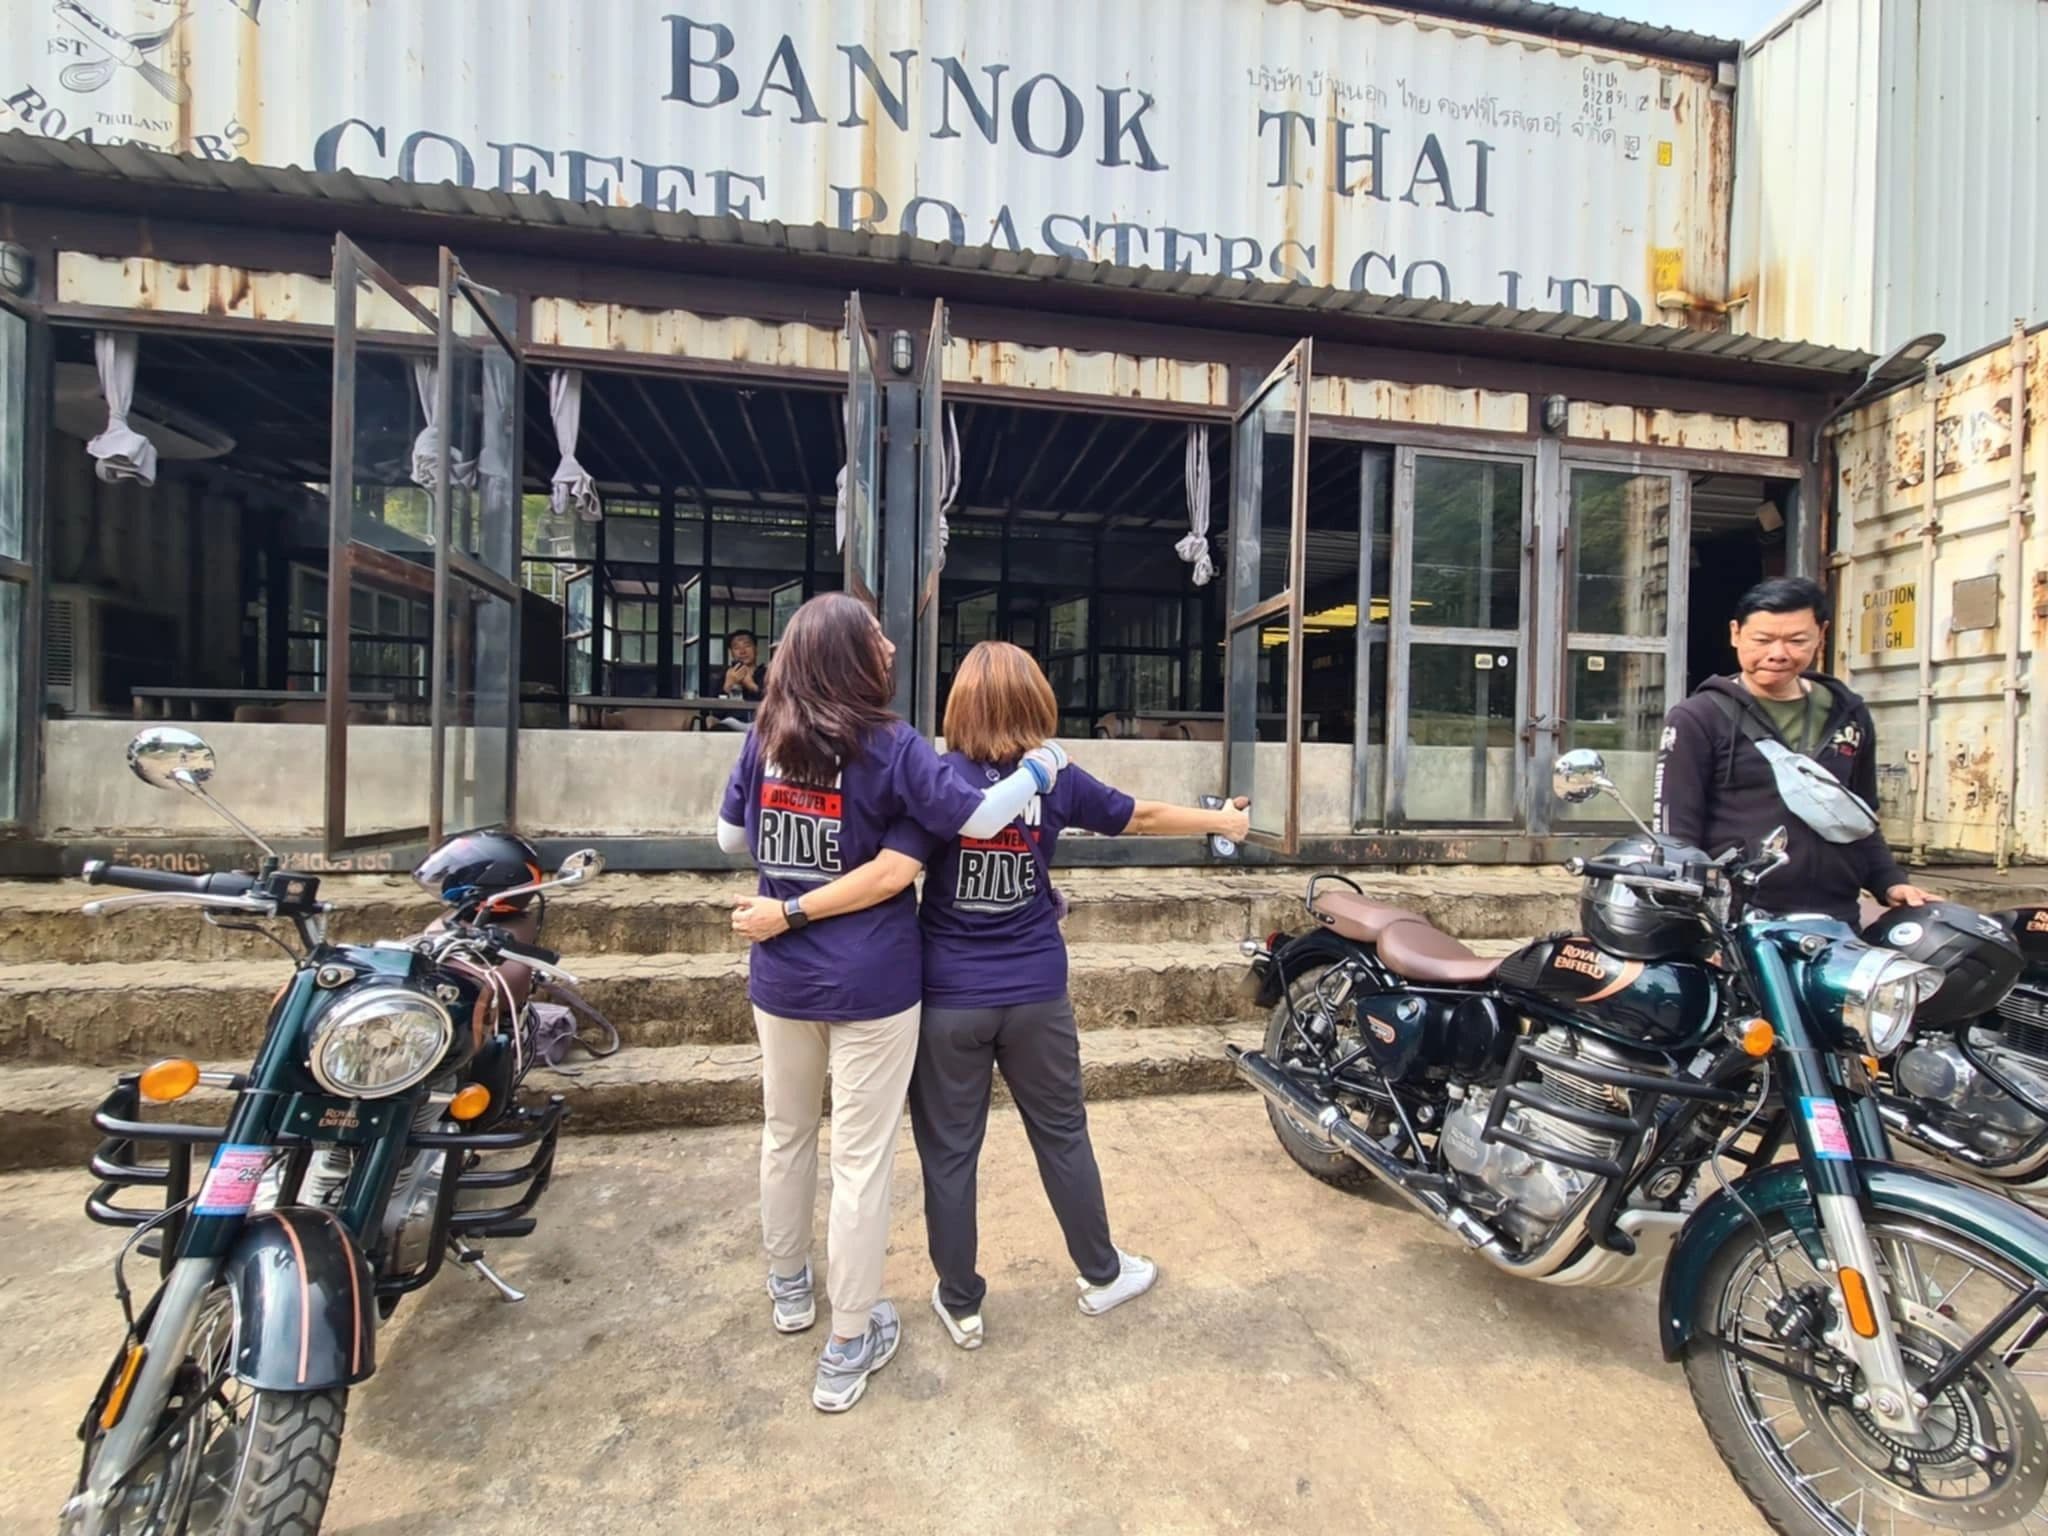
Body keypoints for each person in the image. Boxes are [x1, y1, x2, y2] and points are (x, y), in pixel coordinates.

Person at [736, 640, 1251, 1350]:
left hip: (947, 997)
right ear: (1035, 700)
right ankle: (1101, 1275)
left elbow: (891, 870)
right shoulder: (1056, 778)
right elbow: (1140, 818)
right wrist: (1222, 820)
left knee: (949, 1153)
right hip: (1037, 993)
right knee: (1063, 1134)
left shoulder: (933, 778)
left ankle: (961, 1303)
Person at [716, 595, 1067, 1413]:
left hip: (780, 976)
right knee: (862, 1160)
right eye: (876, 637)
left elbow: (730, 840)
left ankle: (791, 1289)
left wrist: (790, 883)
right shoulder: (893, 745)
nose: (891, 644)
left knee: (785, 1133)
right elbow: (979, 819)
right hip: (873, 983)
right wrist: (1042, 772)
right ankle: (847, 1342)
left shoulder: (764, 736)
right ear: (849, 654)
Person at [1654, 575, 1933, 921]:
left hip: (1835, 916)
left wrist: (1889, 881)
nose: (1778, 654)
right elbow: (1677, 832)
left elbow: (1859, 815)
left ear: (1822, 635)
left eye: (1797, 640)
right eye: (1762, 640)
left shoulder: (1849, 713)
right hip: (1739, 921)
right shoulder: (1698, 717)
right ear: (1735, 634)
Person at [722, 629, 767, 701]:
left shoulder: (768, 675)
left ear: (756, 649)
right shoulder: (724, 676)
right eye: (736, 648)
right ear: (731, 653)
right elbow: (713, 710)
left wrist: (752, 686)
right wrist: (727, 687)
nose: (742, 651)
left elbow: (777, 703)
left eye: (747, 646)